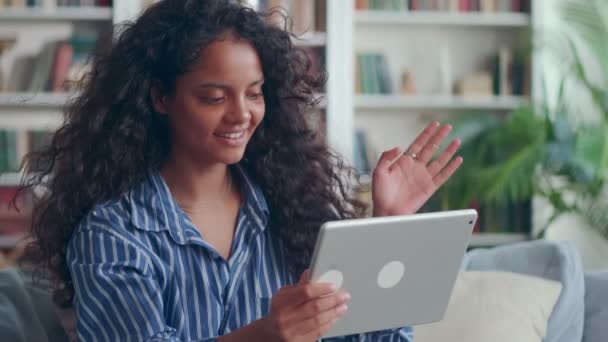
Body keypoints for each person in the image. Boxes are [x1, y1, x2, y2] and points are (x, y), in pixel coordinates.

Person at [21, 0, 462, 341]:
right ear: (159, 97)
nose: (242, 115)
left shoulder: (296, 213)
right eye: (214, 98)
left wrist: (389, 229)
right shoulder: (113, 234)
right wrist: (268, 333)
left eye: (254, 94)